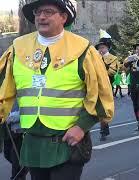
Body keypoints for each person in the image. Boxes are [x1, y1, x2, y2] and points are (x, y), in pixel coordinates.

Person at [0, 0, 114, 179]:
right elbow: (2, 92)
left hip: (68, 142)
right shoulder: (17, 48)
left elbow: (99, 95)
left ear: (63, 17)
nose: (41, 17)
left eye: (48, 11)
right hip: (32, 144)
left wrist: (82, 127)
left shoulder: (83, 49)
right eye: (38, 12)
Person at [95, 37, 119, 141]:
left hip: (107, 85)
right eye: (99, 47)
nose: (101, 50)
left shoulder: (113, 58)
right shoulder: (95, 57)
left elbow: (113, 72)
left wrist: (103, 65)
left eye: (103, 47)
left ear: (108, 48)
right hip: (95, 84)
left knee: (104, 108)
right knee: (98, 108)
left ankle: (103, 129)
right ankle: (104, 128)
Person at [3, 102, 29, 180]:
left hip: (19, 132)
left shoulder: (22, 93)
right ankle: (25, 168)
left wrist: (9, 117)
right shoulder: (5, 93)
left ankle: (18, 175)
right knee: (7, 154)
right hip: (8, 131)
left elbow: (27, 112)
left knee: (16, 160)